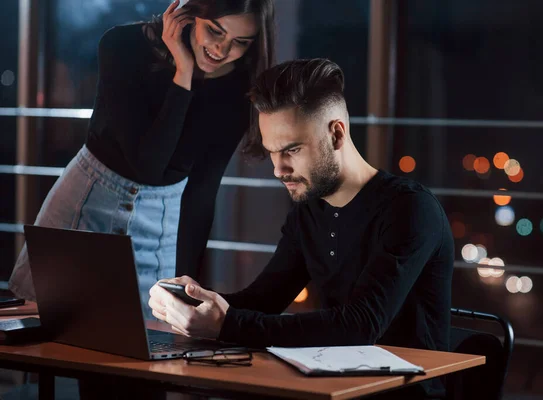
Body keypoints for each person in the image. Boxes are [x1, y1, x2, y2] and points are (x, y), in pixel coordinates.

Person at [149, 59, 454, 398]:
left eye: (292, 150)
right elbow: (263, 300)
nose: (279, 170)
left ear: (336, 133)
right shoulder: (308, 211)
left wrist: (226, 323)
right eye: (272, 153)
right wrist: (198, 303)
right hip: (336, 389)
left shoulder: (411, 209)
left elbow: (360, 325)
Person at [9, 0, 275, 318]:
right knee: (44, 331)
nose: (221, 49)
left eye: (240, 42)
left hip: (162, 223)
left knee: (143, 344)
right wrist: (183, 73)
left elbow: (204, 187)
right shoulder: (122, 45)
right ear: (189, 13)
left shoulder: (239, 87)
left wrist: (188, 283)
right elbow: (146, 164)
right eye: (215, 30)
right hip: (88, 204)